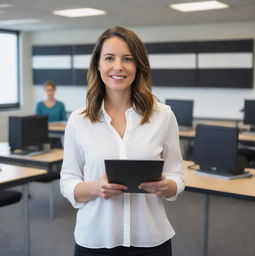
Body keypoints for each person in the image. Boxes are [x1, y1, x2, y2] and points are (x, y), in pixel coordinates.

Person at [60, 26, 184, 256]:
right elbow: (68, 181)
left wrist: (167, 186)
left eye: (127, 59)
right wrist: (96, 188)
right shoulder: (78, 120)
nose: (118, 66)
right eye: (109, 58)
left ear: (138, 65)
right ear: (98, 65)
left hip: (151, 240)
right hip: (95, 240)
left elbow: (177, 175)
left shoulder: (163, 115)